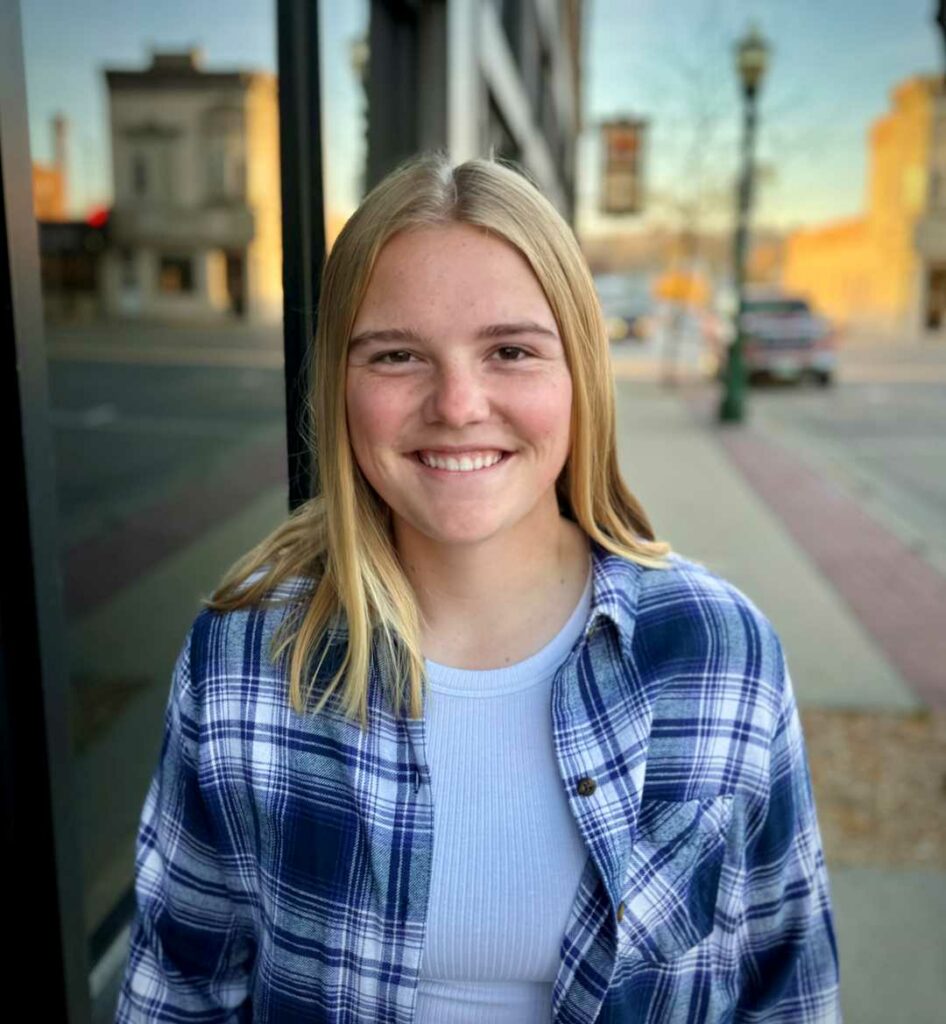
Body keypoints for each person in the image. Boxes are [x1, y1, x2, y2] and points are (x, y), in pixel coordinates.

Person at [115, 153, 841, 1023]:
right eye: (396, 356)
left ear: (579, 374)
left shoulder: (720, 652)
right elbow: (177, 991)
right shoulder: (244, 658)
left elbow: (786, 990)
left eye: (509, 350)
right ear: (338, 387)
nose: (458, 405)